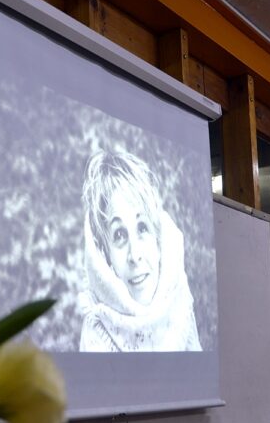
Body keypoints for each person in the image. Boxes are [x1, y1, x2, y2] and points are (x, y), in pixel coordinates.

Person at [78, 149, 201, 352]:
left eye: (142, 228)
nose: (135, 255)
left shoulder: (180, 303)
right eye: (119, 235)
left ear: (158, 239)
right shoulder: (96, 335)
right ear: (105, 256)